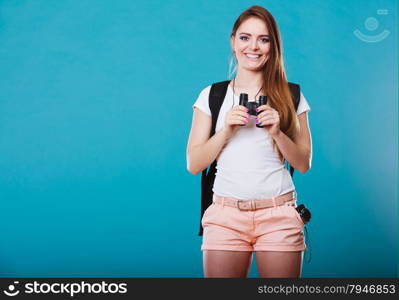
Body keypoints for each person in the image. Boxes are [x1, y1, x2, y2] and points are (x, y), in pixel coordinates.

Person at [186, 5, 312, 278]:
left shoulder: (292, 95)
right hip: (225, 216)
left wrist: (278, 132)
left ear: (273, 46)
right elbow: (194, 164)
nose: (253, 47)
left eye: (263, 39)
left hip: (278, 214)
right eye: (245, 37)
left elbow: (303, 163)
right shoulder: (212, 95)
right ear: (233, 41)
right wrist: (226, 132)